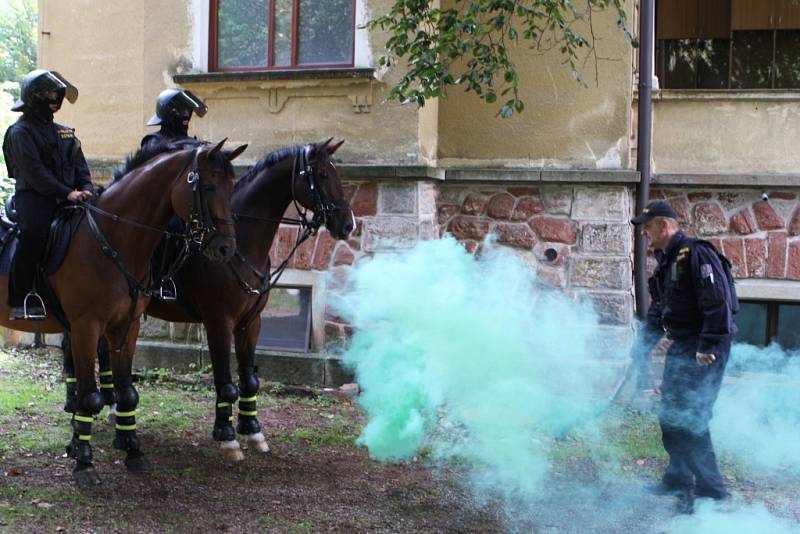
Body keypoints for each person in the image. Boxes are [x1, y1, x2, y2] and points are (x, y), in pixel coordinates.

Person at [631, 200, 738, 513]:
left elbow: (717, 302)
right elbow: (658, 310)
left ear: (663, 226)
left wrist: (709, 345)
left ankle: (711, 492)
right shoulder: (668, 261)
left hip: (704, 350)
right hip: (682, 346)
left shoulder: (696, 254)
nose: (645, 235)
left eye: (648, 228)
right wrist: (642, 347)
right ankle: (678, 478)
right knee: (670, 414)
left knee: (691, 417)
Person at [2, 70, 94, 320]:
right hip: (34, 198)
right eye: (48, 93)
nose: (54, 97)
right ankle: (20, 300)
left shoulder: (65, 133)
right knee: (33, 234)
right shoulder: (20, 132)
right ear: (33, 97)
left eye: (56, 92)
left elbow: (81, 166)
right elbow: (35, 174)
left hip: (71, 196)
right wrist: (67, 193)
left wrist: (87, 188)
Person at [140, 88, 207, 151]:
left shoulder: (195, 144)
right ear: (168, 113)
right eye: (181, 111)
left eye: (188, 111)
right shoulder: (154, 141)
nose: (186, 116)